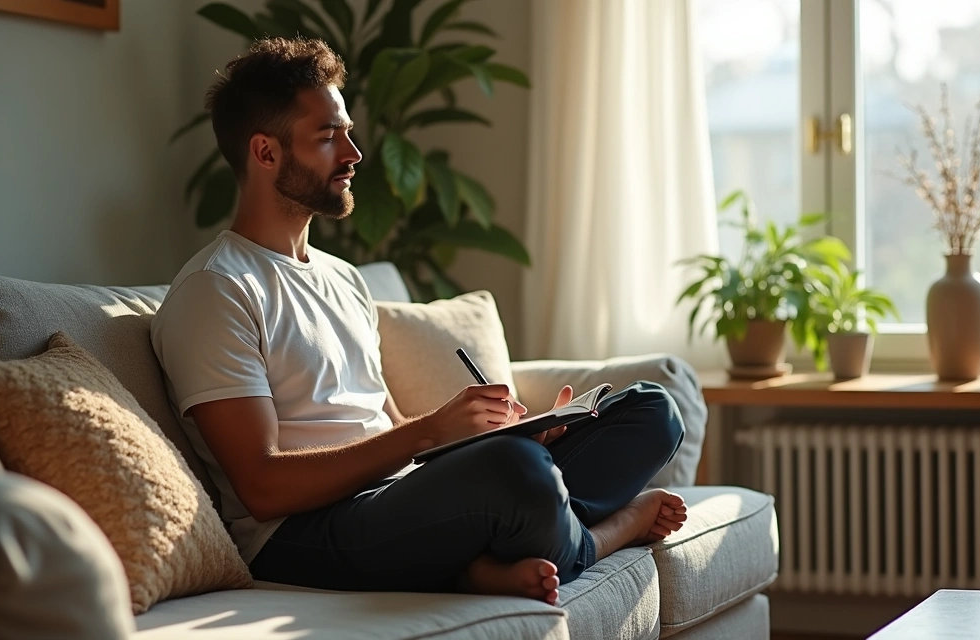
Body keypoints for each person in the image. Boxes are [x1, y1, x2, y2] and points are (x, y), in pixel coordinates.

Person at [151, 37, 689, 606]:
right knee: (519, 475)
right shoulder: (218, 289)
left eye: (348, 131)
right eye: (329, 136)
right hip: (301, 534)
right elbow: (262, 487)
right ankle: (609, 532)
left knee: (652, 410)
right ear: (266, 153)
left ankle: (482, 556)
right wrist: (434, 431)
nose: (354, 153)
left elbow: (384, 425)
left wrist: (498, 432)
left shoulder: (342, 278)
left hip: (397, 500)